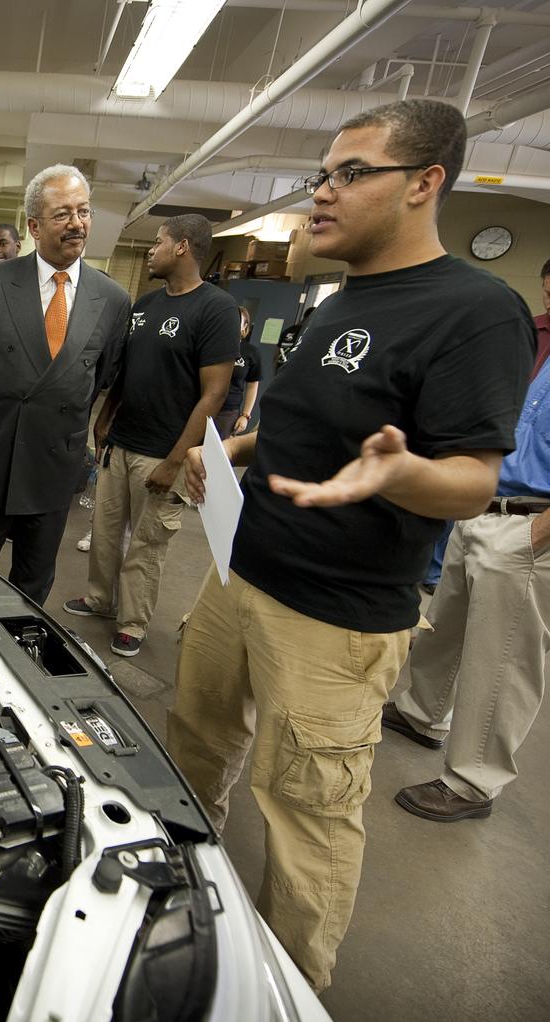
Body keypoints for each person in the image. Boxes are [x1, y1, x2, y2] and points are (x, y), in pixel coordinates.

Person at [167, 99, 536, 993]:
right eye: (321, 175)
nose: (321, 194)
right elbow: (301, 426)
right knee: (197, 744)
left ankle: (286, 989)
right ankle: (183, 893)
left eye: (348, 174)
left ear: (423, 183)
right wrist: (223, 452)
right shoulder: (342, 299)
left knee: (307, 817)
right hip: (242, 573)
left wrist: (399, 474)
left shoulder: (477, 311)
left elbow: (475, 481)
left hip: (334, 621)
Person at [385, 315, 549, 822]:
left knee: (502, 658)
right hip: (484, 506)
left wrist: (538, 532)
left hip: (530, 522)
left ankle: (475, 781)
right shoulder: (537, 342)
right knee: (447, 625)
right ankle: (423, 714)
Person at [64, 214, 239, 656]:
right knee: (104, 532)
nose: (151, 249)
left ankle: (133, 622)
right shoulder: (144, 305)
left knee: (148, 542)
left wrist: (176, 460)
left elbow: (214, 394)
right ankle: (101, 599)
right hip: (120, 442)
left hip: (163, 451)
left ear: (181, 247)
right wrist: (105, 416)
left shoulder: (215, 308)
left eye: (158, 242)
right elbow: (126, 371)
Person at [0, 165, 131, 603]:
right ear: (34, 227)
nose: (77, 223)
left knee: (32, 587)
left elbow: (101, 376)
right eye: (62, 215)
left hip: (55, 464)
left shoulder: (112, 299)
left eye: (84, 211)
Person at [213, 305, 262, 437]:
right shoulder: (210, 346)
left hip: (228, 412)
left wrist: (245, 415)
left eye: (237, 320)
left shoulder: (251, 352)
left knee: (216, 453)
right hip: (201, 406)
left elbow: (252, 386)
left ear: (244, 326)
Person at [275, 305, 314, 371]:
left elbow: (276, 355)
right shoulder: (306, 333)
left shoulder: (288, 330)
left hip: (280, 369)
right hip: (292, 370)